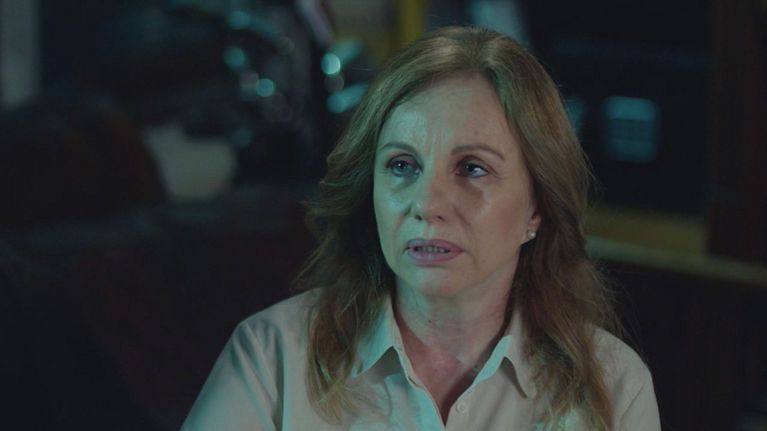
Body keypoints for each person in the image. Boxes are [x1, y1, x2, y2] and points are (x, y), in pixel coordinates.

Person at [182, 26, 661, 430]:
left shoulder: (614, 386)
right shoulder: (272, 357)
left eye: (472, 169)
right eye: (402, 165)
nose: (427, 205)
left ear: (537, 207)